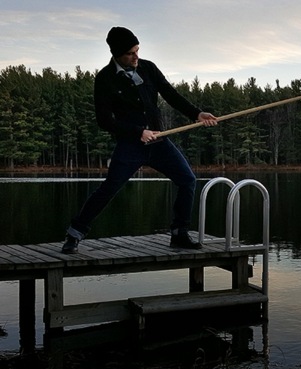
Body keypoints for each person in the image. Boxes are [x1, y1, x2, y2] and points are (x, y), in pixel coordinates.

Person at [62, 27, 218, 254]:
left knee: (187, 180)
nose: (136, 57)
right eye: (130, 53)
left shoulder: (148, 68)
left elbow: (171, 94)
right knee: (109, 188)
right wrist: (137, 132)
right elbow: (104, 121)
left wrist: (197, 114)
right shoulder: (105, 79)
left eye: (137, 50)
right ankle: (74, 234)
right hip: (130, 145)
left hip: (158, 142)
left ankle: (179, 234)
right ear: (116, 54)